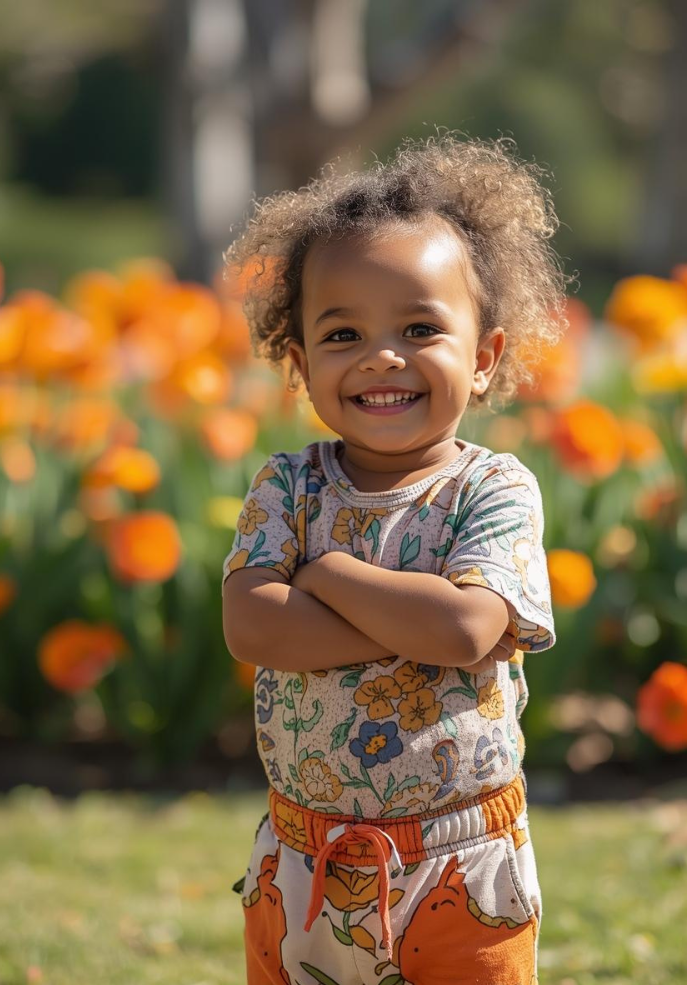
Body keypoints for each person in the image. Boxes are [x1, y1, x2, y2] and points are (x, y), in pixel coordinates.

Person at [221, 132, 568, 985]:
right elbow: (253, 625)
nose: (382, 355)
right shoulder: (288, 486)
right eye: (343, 334)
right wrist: (403, 617)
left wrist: (326, 577)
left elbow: (465, 627)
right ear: (300, 364)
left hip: (460, 864)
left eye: (420, 327)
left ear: (483, 358)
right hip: (305, 859)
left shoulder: (494, 489)